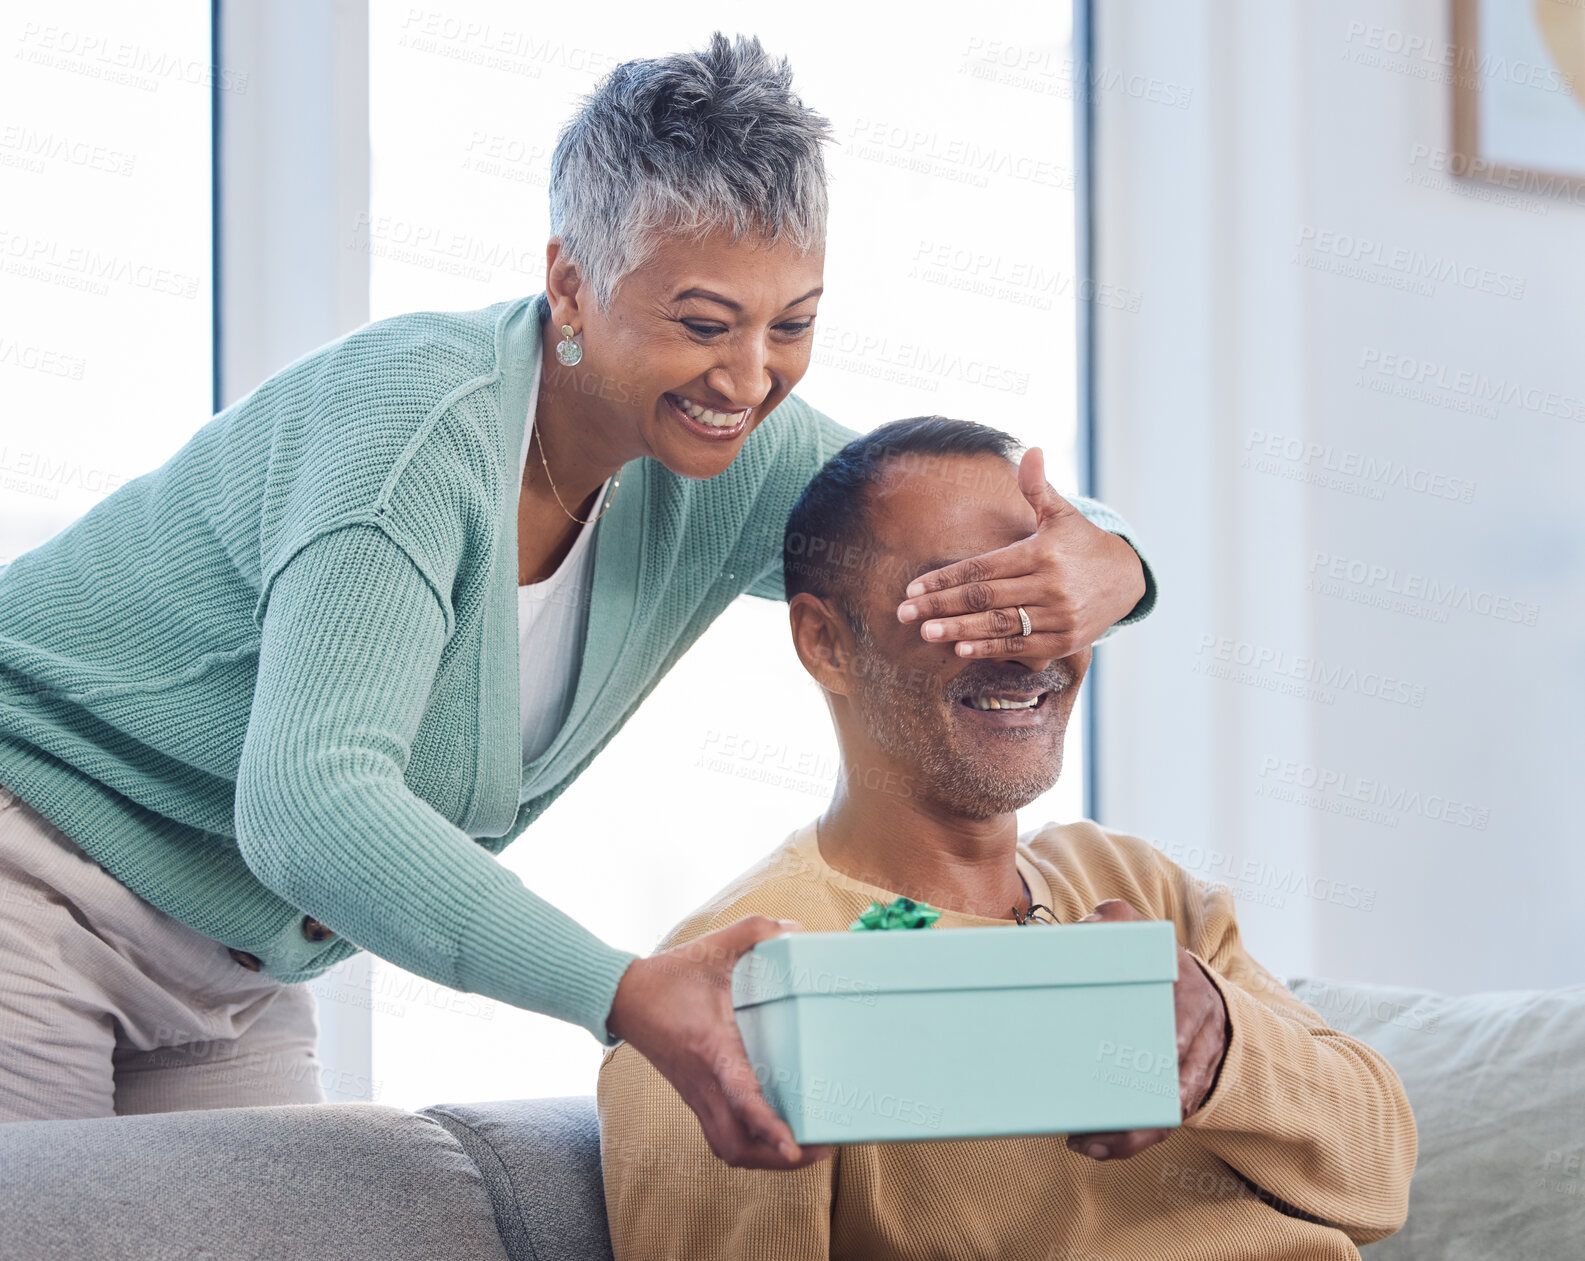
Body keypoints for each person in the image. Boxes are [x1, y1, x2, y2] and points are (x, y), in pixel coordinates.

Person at [0, 33, 1153, 1148]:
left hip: (235, 967)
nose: (750, 378)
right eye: (703, 322)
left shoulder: (736, 454)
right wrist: (622, 990)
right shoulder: (411, 431)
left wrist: (1112, 555)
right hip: (29, 874)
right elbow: (311, 801)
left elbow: (924, 534)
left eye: (791, 325)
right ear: (571, 280)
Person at [597, 417, 1416, 1260]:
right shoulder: (723, 993)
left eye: (1047, 592)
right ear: (825, 643)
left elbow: (1380, 1178)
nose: (1026, 645)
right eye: (963, 598)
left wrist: (1222, 1047)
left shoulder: (1131, 881)